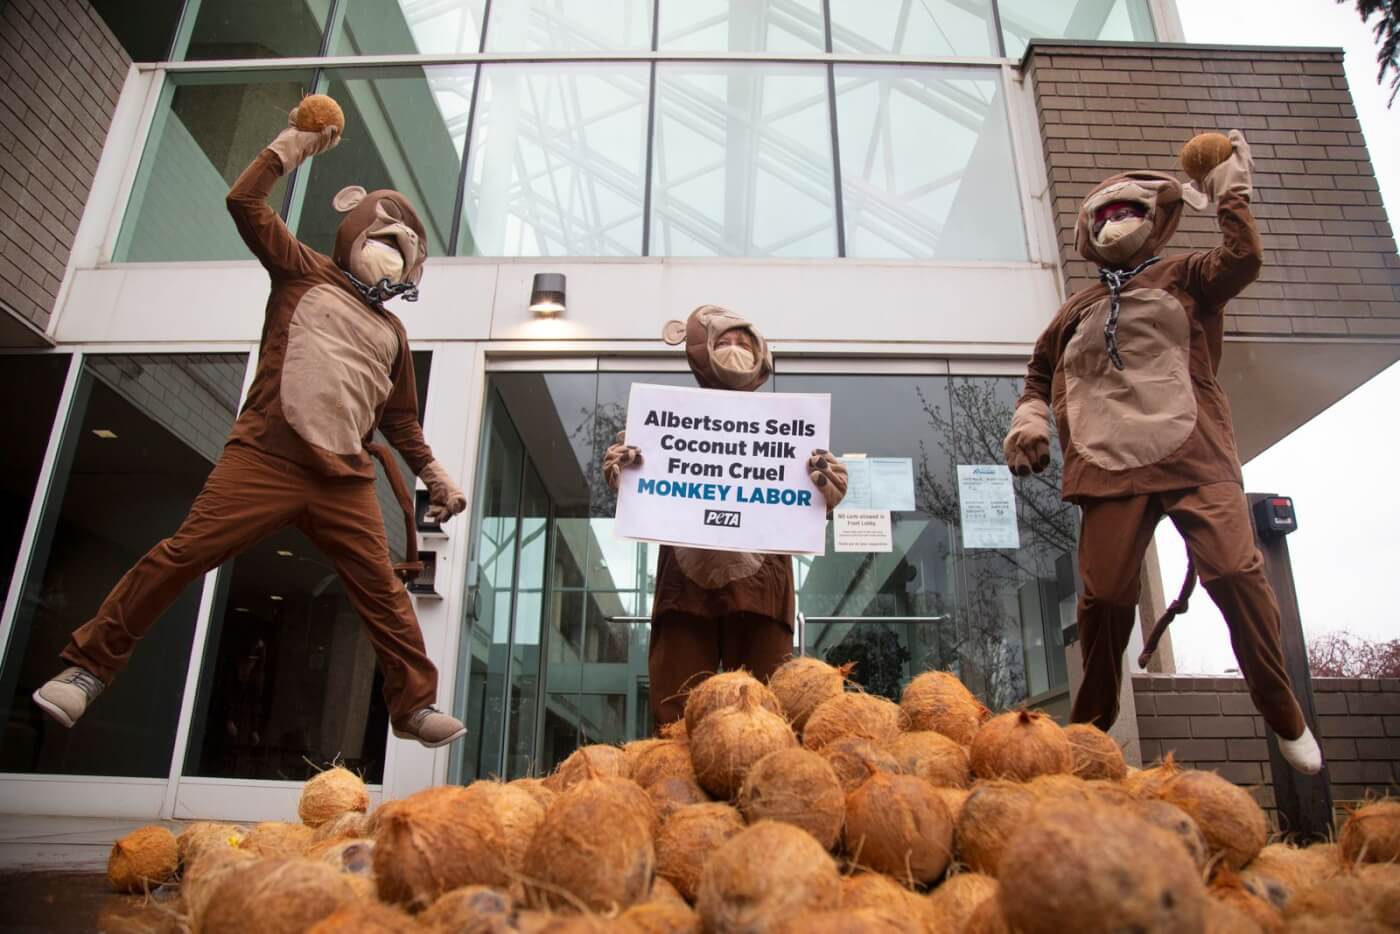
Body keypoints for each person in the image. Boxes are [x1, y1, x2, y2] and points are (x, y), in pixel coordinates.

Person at [33, 98, 468, 749]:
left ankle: (413, 706)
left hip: (344, 480)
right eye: (382, 244)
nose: (391, 262)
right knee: (184, 554)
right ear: (352, 237)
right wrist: (294, 144)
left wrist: (436, 474)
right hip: (264, 456)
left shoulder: (394, 335)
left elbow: (401, 421)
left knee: (384, 594)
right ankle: (87, 669)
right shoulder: (301, 271)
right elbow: (245, 205)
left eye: (403, 257)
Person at [1002, 130, 1322, 773]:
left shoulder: (1190, 275)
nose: (1116, 223)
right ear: (1089, 233)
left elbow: (1243, 259)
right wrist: (1030, 420)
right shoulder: (1072, 311)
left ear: (1156, 220)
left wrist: (1231, 193)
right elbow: (1038, 375)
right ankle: (1088, 735)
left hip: (1193, 451)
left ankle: (1283, 710)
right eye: (1105, 216)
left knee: (1233, 571)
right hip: (1106, 463)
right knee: (1105, 600)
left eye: (1129, 212)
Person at [604, 305, 848, 726]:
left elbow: (812, 496)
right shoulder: (663, 425)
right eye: (724, 342)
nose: (734, 350)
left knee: (765, 710)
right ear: (703, 353)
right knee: (676, 711)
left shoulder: (788, 429)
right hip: (685, 584)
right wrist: (627, 471)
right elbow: (641, 486)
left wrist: (827, 486)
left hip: (761, 588)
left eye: (743, 343)